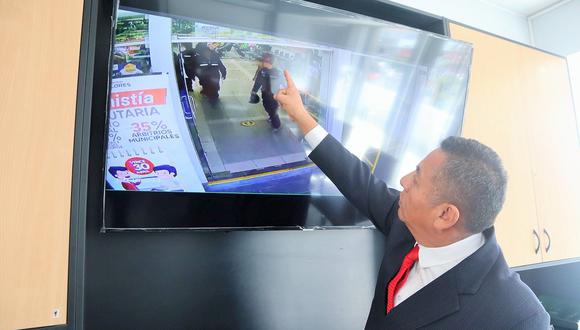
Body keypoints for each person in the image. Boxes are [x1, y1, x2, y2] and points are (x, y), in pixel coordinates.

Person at [274, 70, 550, 329]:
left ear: (445, 215)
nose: (403, 181)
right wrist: (301, 115)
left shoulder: (518, 317)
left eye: (416, 179)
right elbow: (359, 181)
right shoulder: (407, 221)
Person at [249, 53, 283, 130]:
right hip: (265, 94)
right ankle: (271, 117)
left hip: (274, 94)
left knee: (273, 109)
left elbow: (283, 83)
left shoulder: (277, 72)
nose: (262, 63)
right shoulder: (262, 71)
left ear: (267, 62)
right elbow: (258, 82)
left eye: (264, 61)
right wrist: (254, 91)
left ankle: (276, 125)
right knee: (266, 106)